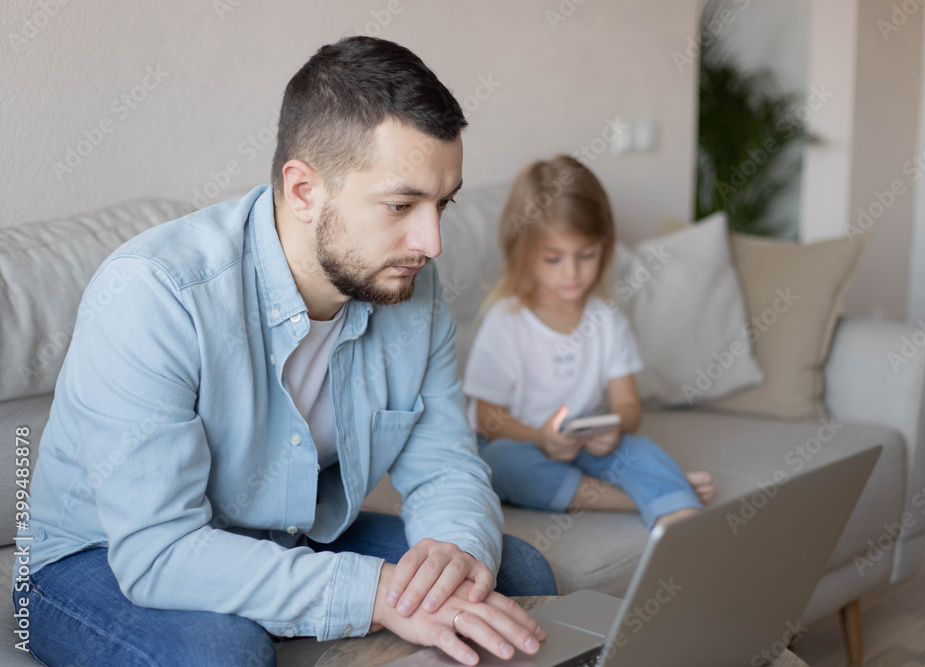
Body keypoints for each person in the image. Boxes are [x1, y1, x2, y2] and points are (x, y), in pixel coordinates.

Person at [13, 37, 557, 667]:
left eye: (443, 204)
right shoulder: (155, 293)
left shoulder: (411, 285)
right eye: (401, 205)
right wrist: (376, 595)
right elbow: (158, 552)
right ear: (302, 191)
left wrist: (456, 549)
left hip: (287, 528)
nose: (431, 242)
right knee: (224, 653)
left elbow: (444, 465)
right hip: (98, 557)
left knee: (510, 575)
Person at [462, 155, 715, 531]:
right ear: (524, 253)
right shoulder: (507, 321)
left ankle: (678, 510)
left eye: (586, 256)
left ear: (605, 248)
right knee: (500, 464)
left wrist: (615, 431)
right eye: (553, 259)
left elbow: (628, 406)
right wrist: (541, 438)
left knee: (639, 449)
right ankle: (647, 498)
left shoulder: (607, 321)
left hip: (583, 440)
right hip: (520, 442)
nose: (572, 273)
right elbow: (487, 418)